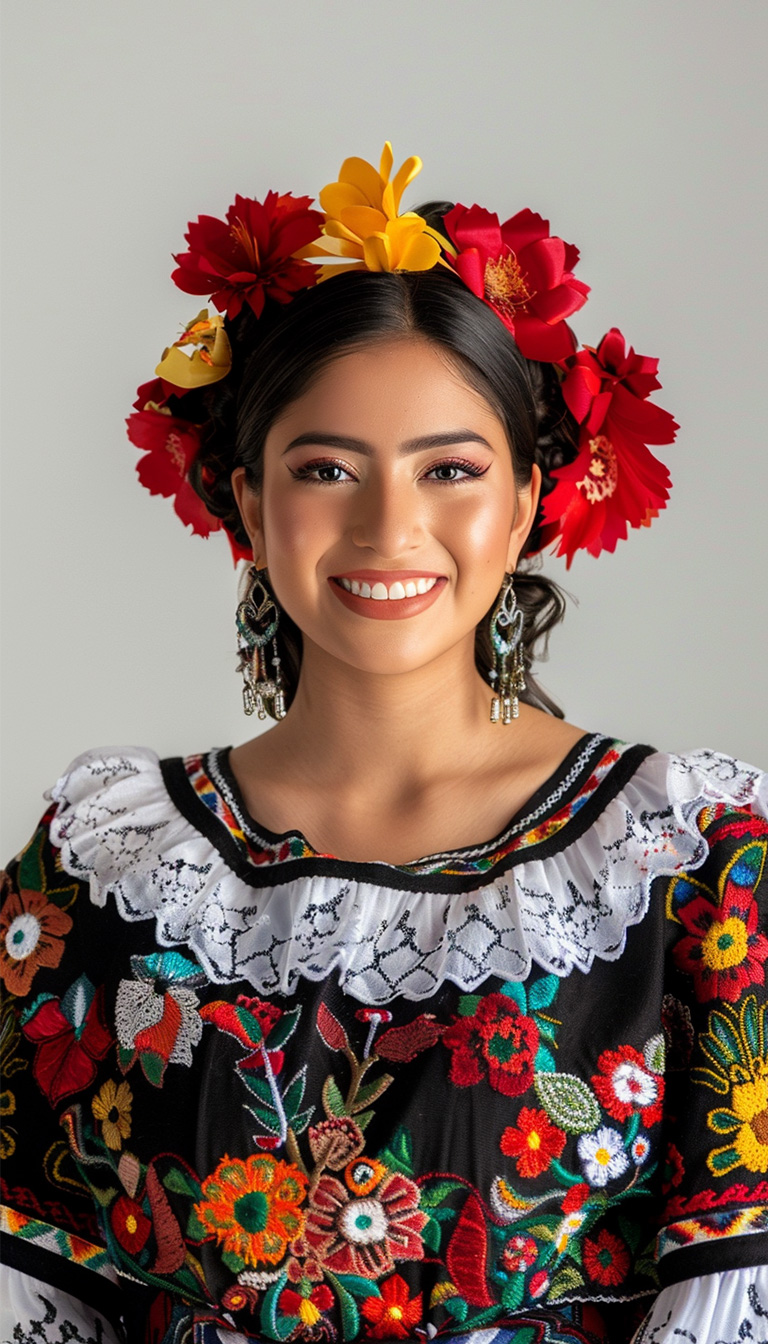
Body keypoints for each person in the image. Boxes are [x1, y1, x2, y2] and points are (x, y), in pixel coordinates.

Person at [1, 144, 766, 1344]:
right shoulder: (100, 867)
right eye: (326, 468)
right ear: (249, 503)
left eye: (450, 469)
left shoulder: (690, 859)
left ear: (524, 505)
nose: (388, 526)